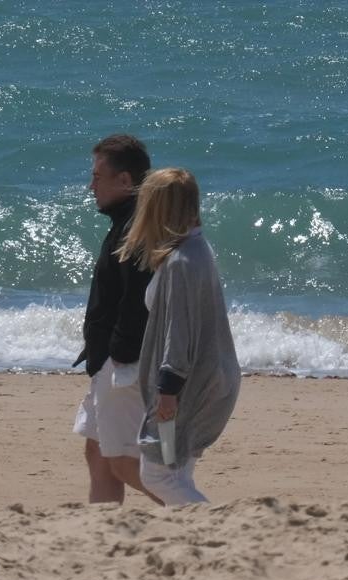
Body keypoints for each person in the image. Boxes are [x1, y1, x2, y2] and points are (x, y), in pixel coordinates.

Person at [116, 168, 240, 505]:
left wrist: (167, 393)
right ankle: (195, 541)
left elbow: (179, 332)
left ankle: (214, 531)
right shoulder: (197, 248)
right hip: (209, 380)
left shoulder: (181, 263)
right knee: (176, 471)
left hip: (186, 389)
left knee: (158, 474)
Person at [72, 134, 161, 505]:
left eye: (97, 176)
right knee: (97, 454)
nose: (91, 185)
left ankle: (194, 513)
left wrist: (119, 354)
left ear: (124, 181)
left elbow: (140, 299)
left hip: (122, 363)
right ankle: (104, 533)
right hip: (107, 360)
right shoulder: (125, 221)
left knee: (125, 462)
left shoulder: (136, 227)